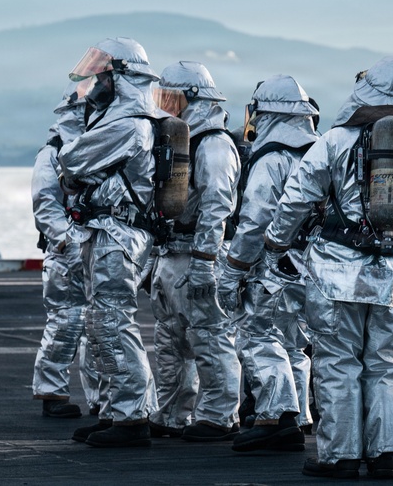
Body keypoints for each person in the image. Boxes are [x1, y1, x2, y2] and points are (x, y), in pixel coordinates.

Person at [262, 56, 393, 480]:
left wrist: (275, 241)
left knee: (337, 363)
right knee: (384, 362)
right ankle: (388, 453)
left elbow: (296, 197)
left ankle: (341, 455)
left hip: (335, 273)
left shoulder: (334, 141)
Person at [58, 37, 160, 448]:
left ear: (120, 77)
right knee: (102, 324)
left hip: (118, 235)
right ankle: (119, 410)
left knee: (115, 322)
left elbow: (71, 161)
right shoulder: (116, 120)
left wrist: (74, 173)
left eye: (101, 73)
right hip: (106, 232)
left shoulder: (128, 123)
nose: (93, 80)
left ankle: (133, 416)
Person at [218, 75, 319, 453]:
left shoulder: (271, 158)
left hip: (274, 266)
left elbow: (254, 220)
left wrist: (233, 270)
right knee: (293, 341)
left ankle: (275, 417)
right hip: (311, 264)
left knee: (258, 334)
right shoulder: (318, 154)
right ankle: (299, 414)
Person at [148, 61, 241, 441]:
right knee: (171, 340)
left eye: (173, 98)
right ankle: (172, 413)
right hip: (172, 253)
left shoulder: (214, 144)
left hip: (197, 257)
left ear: (194, 99)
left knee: (209, 336)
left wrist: (205, 260)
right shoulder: (177, 142)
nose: (166, 105)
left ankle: (219, 415)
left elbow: (218, 202)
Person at [31, 82, 100, 418]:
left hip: (93, 248)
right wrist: (69, 243)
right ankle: (52, 393)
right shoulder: (53, 153)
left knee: (98, 325)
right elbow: (45, 204)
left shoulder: (98, 149)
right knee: (66, 321)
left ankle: (102, 396)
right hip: (65, 254)